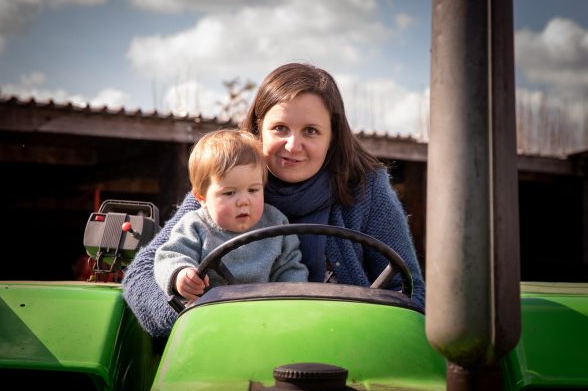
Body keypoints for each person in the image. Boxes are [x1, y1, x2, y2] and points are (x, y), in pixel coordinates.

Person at [123, 62, 425, 337]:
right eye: (280, 128)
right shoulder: (222, 187)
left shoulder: (366, 188)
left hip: (344, 350)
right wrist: (200, 316)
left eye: (311, 131)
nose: (293, 146)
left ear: (332, 137)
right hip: (228, 347)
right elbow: (141, 276)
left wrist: (361, 333)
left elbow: (411, 291)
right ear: (258, 130)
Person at [153, 129, 308, 305]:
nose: (244, 201)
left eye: (253, 190)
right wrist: (181, 275)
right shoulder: (195, 225)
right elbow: (170, 256)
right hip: (211, 313)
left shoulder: (276, 224)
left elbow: (289, 269)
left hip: (265, 313)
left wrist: (294, 298)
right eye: (229, 193)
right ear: (202, 197)